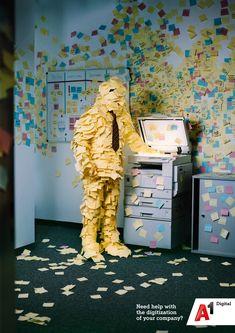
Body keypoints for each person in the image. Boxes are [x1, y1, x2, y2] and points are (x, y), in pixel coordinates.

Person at [71, 76, 156, 262]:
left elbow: (132, 138)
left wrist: (153, 152)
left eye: (121, 98)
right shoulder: (93, 116)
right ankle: (89, 241)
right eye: (114, 97)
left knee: (111, 205)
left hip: (115, 168)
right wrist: (86, 163)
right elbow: (80, 142)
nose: (119, 101)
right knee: (93, 207)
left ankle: (110, 240)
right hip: (96, 169)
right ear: (103, 97)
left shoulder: (122, 117)